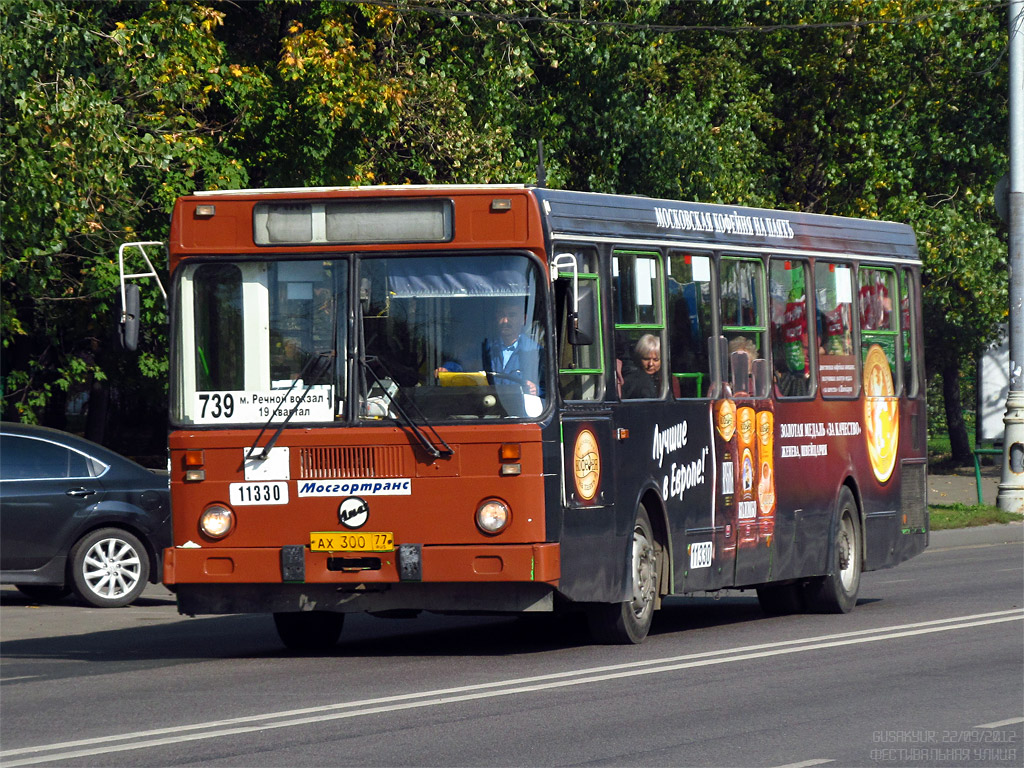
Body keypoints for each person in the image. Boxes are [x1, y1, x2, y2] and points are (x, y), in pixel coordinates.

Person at [438, 300, 542, 395]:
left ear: (523, 319)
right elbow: (462, 363)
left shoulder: (535, 351)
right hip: (489, 406)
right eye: (501, 315)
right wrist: (447, 369)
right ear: (496, 317)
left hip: (521, 412)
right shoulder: (485, 347)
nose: (505, 320)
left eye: (512, 315)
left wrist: (536, 389)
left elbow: (549, 388)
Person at [622, 334, 661, 399]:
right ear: (638, 358)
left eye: (655, 360)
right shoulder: (631, 381)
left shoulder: (671, 381)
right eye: (646, 359)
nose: (650, 364)